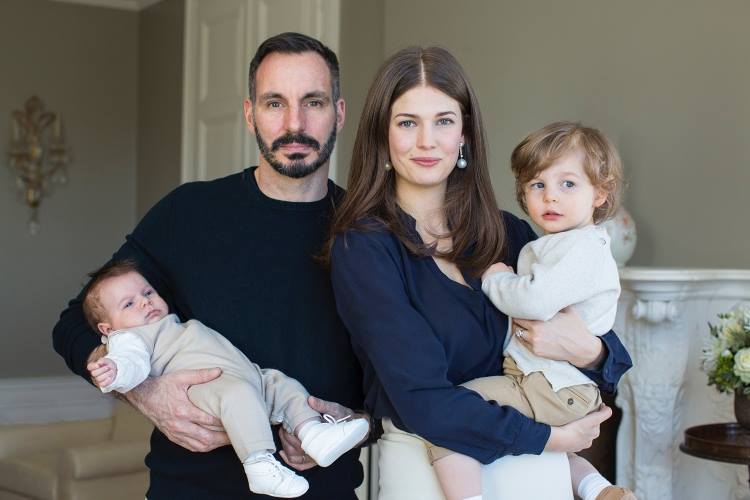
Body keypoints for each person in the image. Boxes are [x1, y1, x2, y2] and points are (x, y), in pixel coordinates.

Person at [52, 32, 368, 499]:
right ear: (250, 114)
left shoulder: (369, 234)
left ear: (338, 113)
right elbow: (74, 323)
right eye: (275, 103)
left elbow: (399, 383)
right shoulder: (188, 213)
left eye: (313, 102)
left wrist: (359, 423)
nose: (294, 123)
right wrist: (144, 392)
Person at [326, 46, 633, 499]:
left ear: (464, 133)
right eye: (407, 123)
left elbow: (609, 355)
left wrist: (590, 352)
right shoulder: (365, 247)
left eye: (443, 121)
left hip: (539, 479)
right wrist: (549, 438)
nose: (427, 141)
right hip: (428, 476)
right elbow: (422, 400)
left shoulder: (509, 233)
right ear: (382, 135)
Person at [424, 121, 635, 500]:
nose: (550, 196)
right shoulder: (561, 244)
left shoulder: (580, 249)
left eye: (567, 184)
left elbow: (535, 300)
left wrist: (496, 279)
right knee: (559, 450)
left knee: (452, 417)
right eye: (538, 185)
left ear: (600, 193)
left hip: (552, 384)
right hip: (556, 384)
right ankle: (599, 489)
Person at [83, 261, 369, 497]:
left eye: (147, 292)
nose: (145, 302)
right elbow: (130, 361)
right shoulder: (129, 338)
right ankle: (259, 463)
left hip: (249, 378)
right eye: (129, 304)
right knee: (238, 395)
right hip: (204, 388)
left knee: (285, 386)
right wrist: (114, 370)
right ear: (108, 329)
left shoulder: (171, 324)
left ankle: (313, 433)